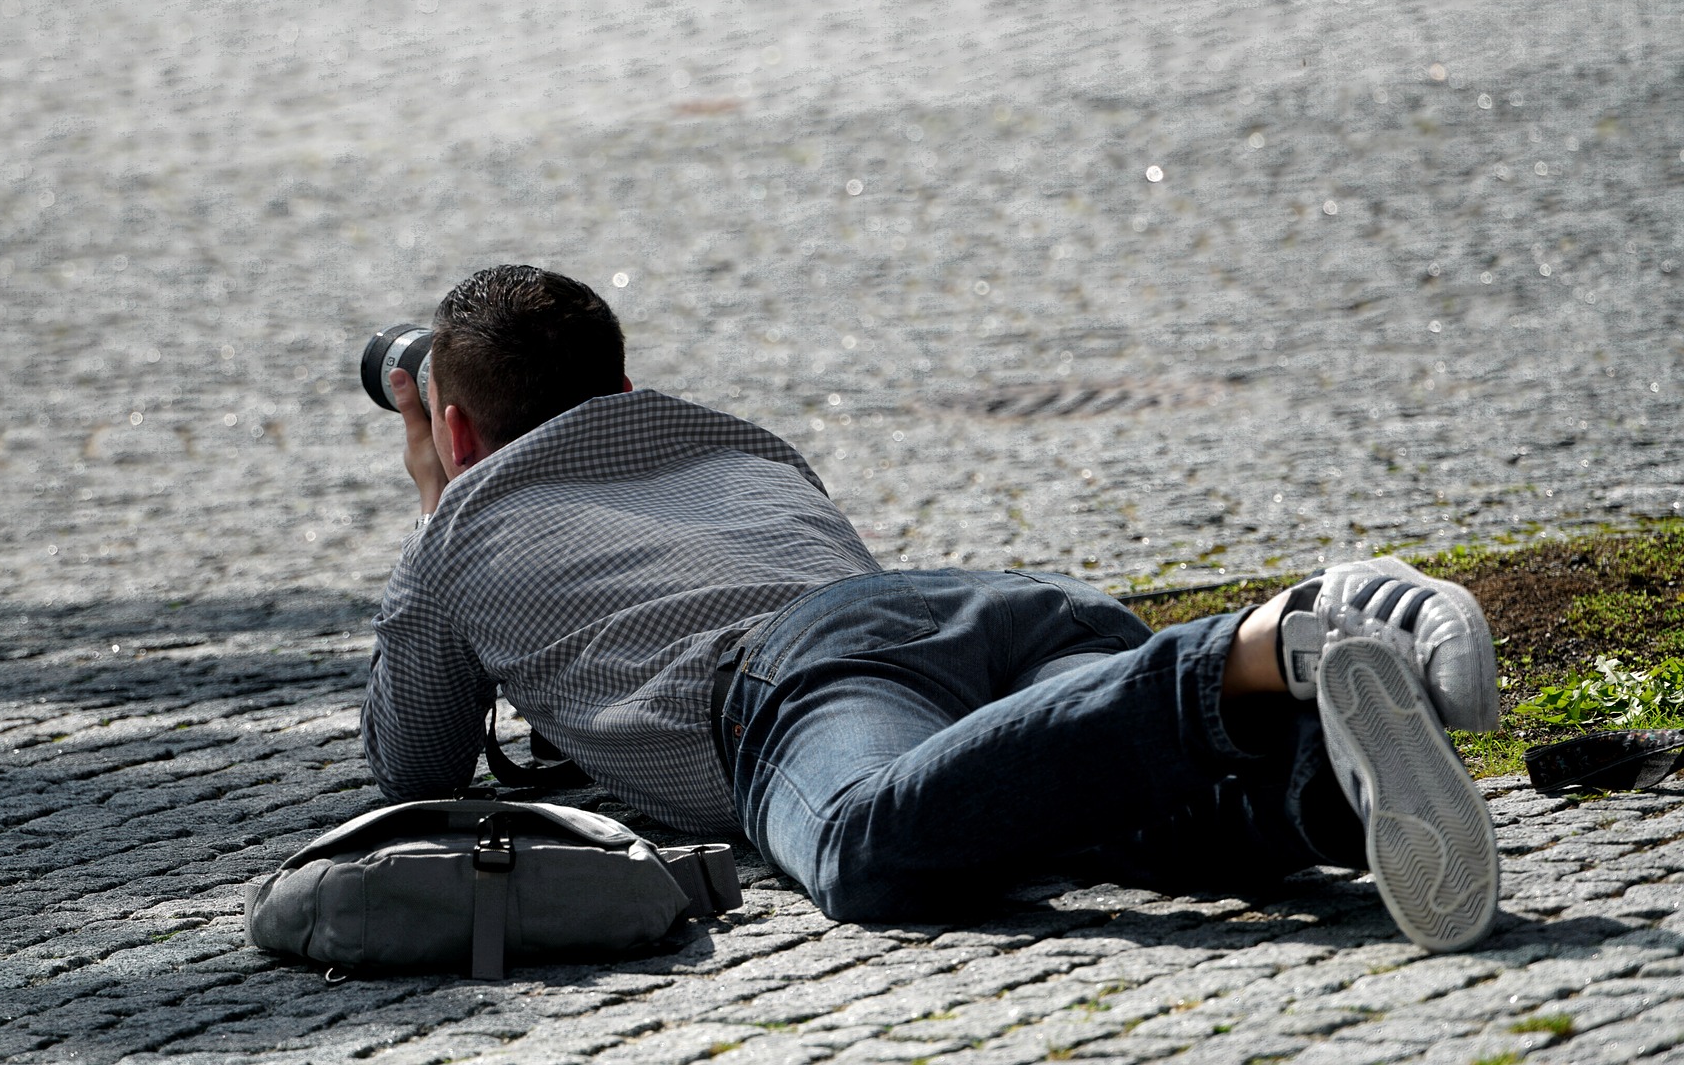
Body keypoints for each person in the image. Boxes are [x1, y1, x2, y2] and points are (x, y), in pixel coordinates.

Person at [363, 265, 1502, 952]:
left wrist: (435, 504)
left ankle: (1260, 640)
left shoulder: (462, 533)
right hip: (988, 615)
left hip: (801, 675)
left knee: (868, 846)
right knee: (1097, 818)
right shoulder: (743, 443)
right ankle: (1330, 787)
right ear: (619, 385)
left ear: (455, 431)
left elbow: (415, 769)